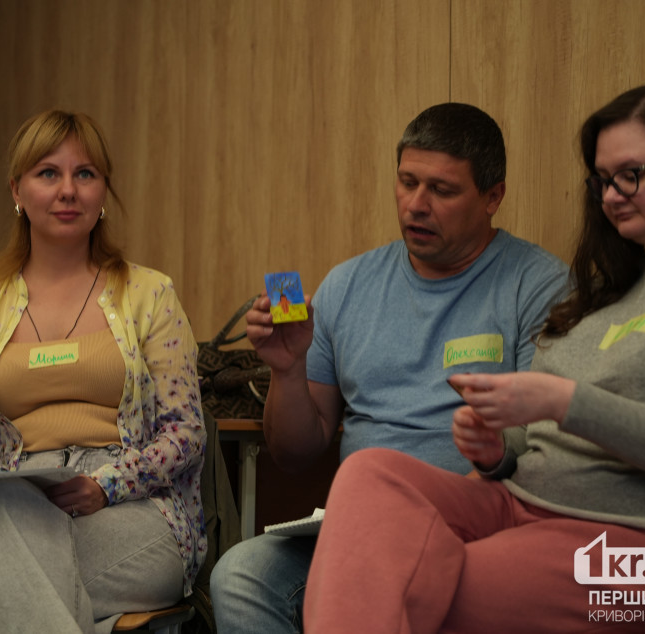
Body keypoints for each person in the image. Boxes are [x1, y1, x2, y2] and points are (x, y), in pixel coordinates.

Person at [303, 83, 645, 633]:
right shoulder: (599, 293)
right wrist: (498, 448)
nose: (613, 195)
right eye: (602, 179)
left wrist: (565, 401)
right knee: (370, 473)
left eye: (632, 173)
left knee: (431, 584)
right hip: (524, 505)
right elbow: (536, 441)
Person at [210, 103, 568, 633]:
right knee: (241, 574)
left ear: (493, 197)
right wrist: (287, 370)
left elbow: (539, 447)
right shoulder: (347, 285)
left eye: (442, 190)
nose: (416, 205)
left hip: (477, 524)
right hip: (361, 526)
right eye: (407, 182)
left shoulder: (539, 285)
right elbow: (295, 453)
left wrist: (429, 518)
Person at [0, 109, 207, 633]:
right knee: (8, 539)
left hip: (128, 505)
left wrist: (107, 484)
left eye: (85, 174)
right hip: (13, 498)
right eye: (48, 173)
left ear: (103, 191)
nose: (68, 190)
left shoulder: (150, 294)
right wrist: (3, 482)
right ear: (17, 189)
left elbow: (185, 432)